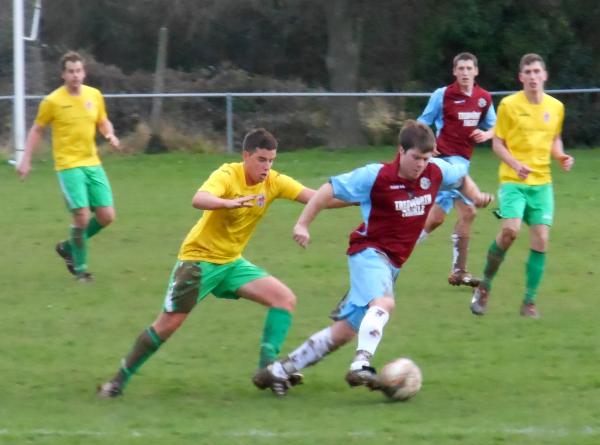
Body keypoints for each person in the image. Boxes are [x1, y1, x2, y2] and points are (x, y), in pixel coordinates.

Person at [98, 128, 345, 397]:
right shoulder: (228, 174)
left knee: (284, 299)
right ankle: (118, 381)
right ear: (246, 156)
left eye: (271, 160)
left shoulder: (273, 182)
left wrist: (363, 197)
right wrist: (227, 203)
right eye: (261, 160)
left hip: (231, 264)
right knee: (168, 324)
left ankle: (267, 372)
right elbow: (199, 199)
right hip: (198, 261)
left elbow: (317, 198)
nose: (267, 166)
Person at [253, 120, 493, 396]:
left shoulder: (435, 172)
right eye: (415, 157)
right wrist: (302, 224)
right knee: (384, 303)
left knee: (344, 331)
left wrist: (475, 195)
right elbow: (328, 190)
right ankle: (362, 364)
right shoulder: (376, 175)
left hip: (391, 263)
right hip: (368, 252)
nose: (420, 165)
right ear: (400, 151)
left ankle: (277, 372)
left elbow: (461, 176)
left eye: (426, 158)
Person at [470, 53, 574, 319]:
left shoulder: (556, 107)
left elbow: (555, 139)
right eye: (527, 72)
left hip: (542, 184)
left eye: (537, 71)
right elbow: (497, 143)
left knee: (541, 239)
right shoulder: (508, 105)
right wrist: (516, 165)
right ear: (521, 77)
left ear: (545, 75)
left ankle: (529, 302)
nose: (533, 77)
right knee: (509, 233)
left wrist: (560, 156)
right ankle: (485, 285)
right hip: (513, 181)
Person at [17, 51, 121, 282]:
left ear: (84, 73)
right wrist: (26, 159)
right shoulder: (52, 101)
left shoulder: (94, 95)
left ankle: (67, 247)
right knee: (82, 217)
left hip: (92, 163)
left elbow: (102, 120)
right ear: (63, 75)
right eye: (70, 71)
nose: (75, 75)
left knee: (107, 216)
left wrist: (110, 134)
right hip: (68, 166)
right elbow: (37, 129)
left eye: (78, 71)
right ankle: (81, 270)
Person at [417, 52, 496, 287]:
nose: (464, 73)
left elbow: (496, 126)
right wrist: (429, 147)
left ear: (476, 71)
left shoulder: (483, 99)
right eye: (460, 69)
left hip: (463, 163)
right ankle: (459, 270)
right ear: (454, 72)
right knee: (469, 211)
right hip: (445, 164)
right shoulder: (442, 95)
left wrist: (487, 134)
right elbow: (422, 123)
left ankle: (395, 251)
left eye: (468, 68)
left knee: (436, 219)